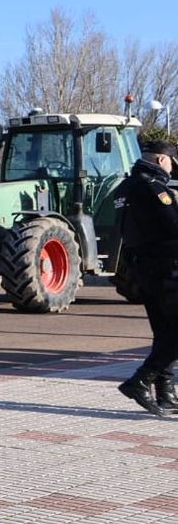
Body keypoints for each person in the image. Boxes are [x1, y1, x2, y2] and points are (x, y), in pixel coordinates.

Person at [114, 139, 178, 416]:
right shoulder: (152, 187)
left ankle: (166, 392)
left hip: (143, 270)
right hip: (167, 269)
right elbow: (174, 225)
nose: (172, 170)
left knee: (165, 333)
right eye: (172, 164)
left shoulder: (124, 188)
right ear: (162, 160)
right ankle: (140, 382)